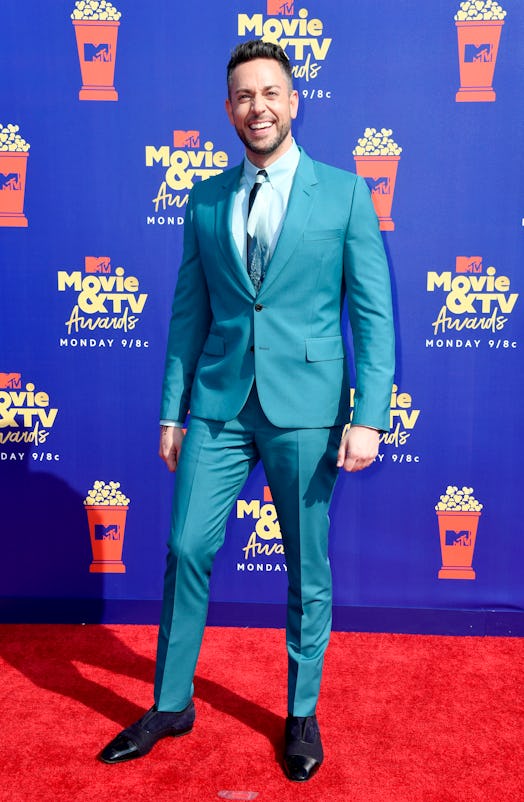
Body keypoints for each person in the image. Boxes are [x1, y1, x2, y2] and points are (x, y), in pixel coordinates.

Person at [100, 39, 395, 782]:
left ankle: (300, 713)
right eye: (242, 95)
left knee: (307, 568)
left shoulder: (347, 194)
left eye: (269, 92)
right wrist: (173, 409)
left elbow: (374, 314)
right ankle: (172, 703)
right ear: (228, 109)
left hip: (309, 407)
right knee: (184, 548)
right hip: (219, 405)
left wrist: (371, 414)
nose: (256, 106)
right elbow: (187, 311)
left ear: (295, 102)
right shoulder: (204, 199)